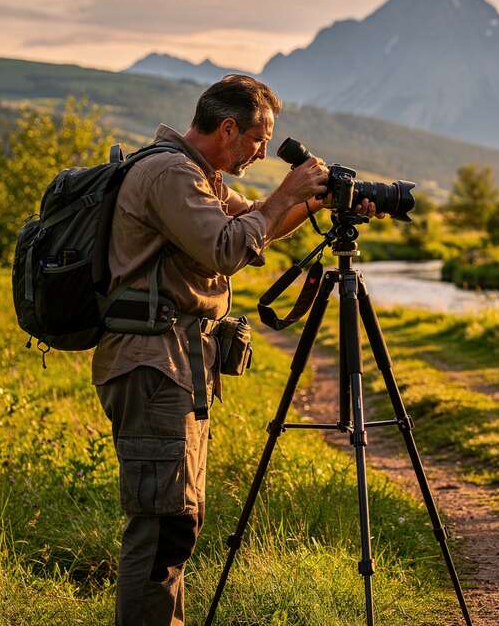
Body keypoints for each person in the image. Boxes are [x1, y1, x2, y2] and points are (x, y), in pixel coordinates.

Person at [92, 74, 378, 625]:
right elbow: (227, 248)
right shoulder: (168, 174)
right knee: (158, 527)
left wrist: (322, 203)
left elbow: (258, 227)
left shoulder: (198, 177)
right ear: (228, 128)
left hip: (174, 367)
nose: (263, 152)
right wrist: (284, 194)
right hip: (152, 366)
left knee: (178, 519)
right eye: (258, 139)